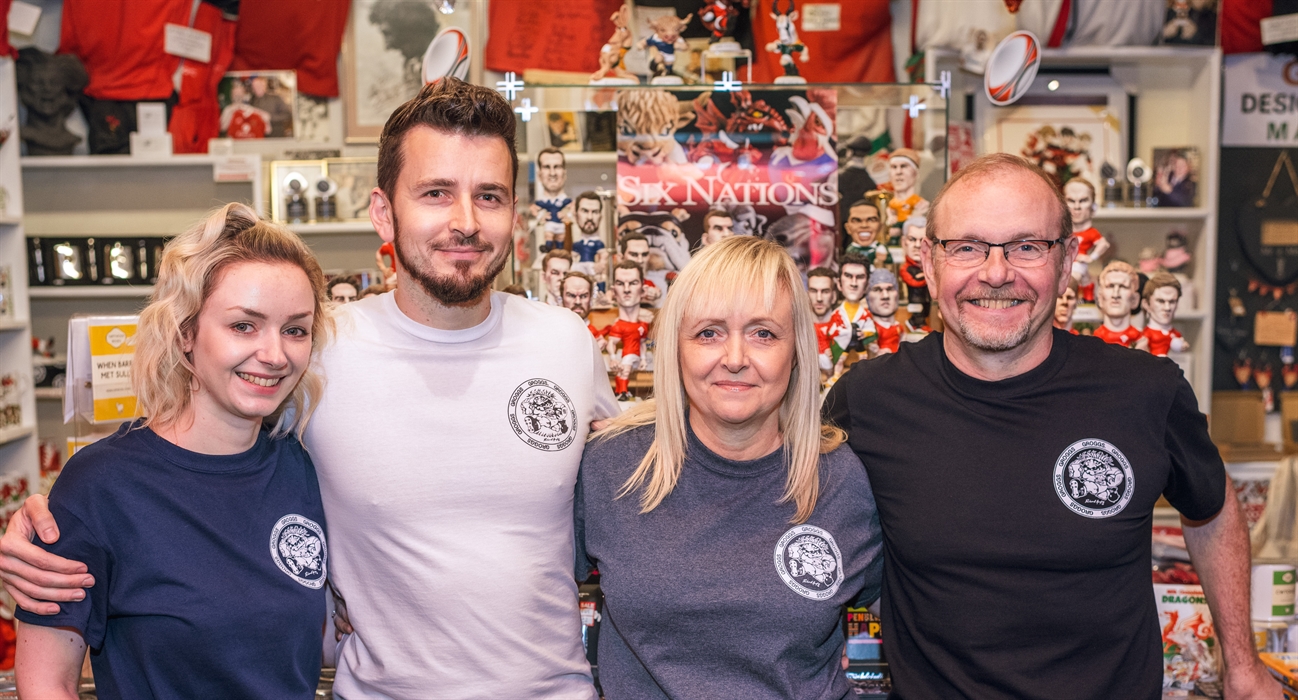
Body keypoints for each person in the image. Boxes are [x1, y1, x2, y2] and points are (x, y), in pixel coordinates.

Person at [3, 78, 619, 699]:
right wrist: (49, 519)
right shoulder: (319, 350)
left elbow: (636, 491)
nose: (466, 222)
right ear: (383, 211)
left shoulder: (567, 343)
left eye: (490, 196)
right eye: (436, 192)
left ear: (515, 210)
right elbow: (181, 454)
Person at [824, 153, 1277, 699]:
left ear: (1066, 262)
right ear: (928, 260)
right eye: (967, 247)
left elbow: (1212, 509)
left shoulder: (1145, 391)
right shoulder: (867, 399)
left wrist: (1243, 665)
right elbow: (814, 541)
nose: (996, 273)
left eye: (1027, 247)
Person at [15, 203, 332, 699]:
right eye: (243, 326)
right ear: (186, 333)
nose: (274, 355)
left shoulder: (302, 466)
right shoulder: (101, 484)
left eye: (295, 329)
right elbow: (45, 681)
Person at [576, 235, 883, 698]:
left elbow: (901, 620)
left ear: (797, 351)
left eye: (764, 334)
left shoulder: (840, 478)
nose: (736, 359)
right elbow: (533, 599)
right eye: (709, 333)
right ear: (675, 348)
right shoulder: (612, 465)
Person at [603, 261, 649, 400]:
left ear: (643, 290)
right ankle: (621, 391)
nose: (627, 289)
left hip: (636, 358)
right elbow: (611, 343)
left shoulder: (644, 325)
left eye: (633, 283)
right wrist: (612, 359)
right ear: (613, 291)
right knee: (624, 370)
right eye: (620, 283)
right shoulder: (618, 326)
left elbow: (642, 343)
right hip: (627, 356)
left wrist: (644, 358)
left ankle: (622, 391)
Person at [1063, 179, 1109, 302]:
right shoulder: (1061, 231)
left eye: (1083, 201)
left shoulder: (1091, 233)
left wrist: (1091, 257)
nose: (1077, 207)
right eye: (1071, 201)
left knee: (1073, 278)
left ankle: (1078, 297)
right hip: (1065, 264)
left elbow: (1103, 244)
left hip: (1077, 265)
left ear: (1093, 207)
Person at [1137, 272, 1189, 357]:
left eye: (1172, 302)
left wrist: (1182, 346)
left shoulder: (1175, 333)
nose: (1167, 308)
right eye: (1161, 301)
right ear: (1146, 304)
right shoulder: (1146, 334)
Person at [1093, 260, 1142, 347]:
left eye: (1123, 286)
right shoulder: (1093, 341)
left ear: (1135, 299)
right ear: (1100, 298)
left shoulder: (1141, 340)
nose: (1115, 295)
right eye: (1110, 286)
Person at [532, 148, 572, 252]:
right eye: (547, 167)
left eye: (557, 167)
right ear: (539, 175)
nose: (552, 173)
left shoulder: (574, 209)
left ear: (564, 174)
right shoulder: (533, 210)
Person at [882, 148, 929, 238]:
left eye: (904, 166)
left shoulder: (920, 204)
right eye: (894, 167)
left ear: (916, 173)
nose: (898, 172)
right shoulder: (891, 204)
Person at [842, 196, 890, 268]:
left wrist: (883, 260)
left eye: (871, 220)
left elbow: (890, 264)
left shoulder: (880, 248)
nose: (864, 225)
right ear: (848, 228)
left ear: (880, 227)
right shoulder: (851, 249)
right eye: (857, 220)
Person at [863, 268, 901, 355]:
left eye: (890, 289)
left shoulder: (898, 327)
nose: (885, 296)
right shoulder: (870, 328)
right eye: (877, 289)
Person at [899, 215, 930, 321]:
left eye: (922, 240)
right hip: (913, 302)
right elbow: (913, 282)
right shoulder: (905, 268)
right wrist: (927, 277)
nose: (917, 245)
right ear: (903, 242)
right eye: (912, 239)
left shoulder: (931, 268)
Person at [561, 270, 604, 343]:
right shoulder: (553, 331)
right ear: (561, 297)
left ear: (590, 299)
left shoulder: (594, 335)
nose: (578, 302)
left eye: (584, 296)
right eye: (571, 295)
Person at [571, 191, 607, 275]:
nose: (590, 217)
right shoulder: (577, 244)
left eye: (595, 212)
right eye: (585, 211)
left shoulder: (598, 244)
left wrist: (602, 264)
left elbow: (604, 256)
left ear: (600, 217)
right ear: (576, 215)